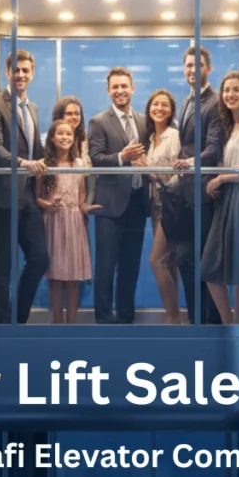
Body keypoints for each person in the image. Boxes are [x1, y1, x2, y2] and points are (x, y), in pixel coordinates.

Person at [0, 49, 49, 324]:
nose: (21, 75)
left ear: (32, 74)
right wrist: (24, 163)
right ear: (7, 72)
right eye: (16, 70)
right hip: (3, 196)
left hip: (29, 197)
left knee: (40, 258)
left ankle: (17, 319)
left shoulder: (31, 108)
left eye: (26, 71)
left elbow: (38, 150)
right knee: (3, 264)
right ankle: (2, 325)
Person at [201, 71, 239, 323]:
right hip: (229, 199)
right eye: (226, 90)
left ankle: (237, 326)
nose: (230, 95)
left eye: (236, 89)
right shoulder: (234, 125)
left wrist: (221, 178)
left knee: (238, 269)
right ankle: (230, 324)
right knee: (212, 269)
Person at [88, 66, 150, 324]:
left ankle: (126, 317)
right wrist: (122, 157)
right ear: (108, 90)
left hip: (137, 202)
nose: (120, 91)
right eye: (115, 87)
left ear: (133, 88)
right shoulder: (99, 121)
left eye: (124, 86)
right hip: (110, 205)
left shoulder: (144, 121)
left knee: (130, 266)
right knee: (105, 266)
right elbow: (96, 158)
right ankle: (103, 319)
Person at [171, 46, 225, 325]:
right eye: (189, 65)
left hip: (204, 192)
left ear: (208, 69)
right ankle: (196, 321)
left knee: (204, 262)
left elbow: (213, 150)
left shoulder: (215, 102)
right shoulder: (187, 101)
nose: (193, 70)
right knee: (186, 260)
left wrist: (190, 162)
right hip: (186, 192)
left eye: (198, 65)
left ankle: (210, 322)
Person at [35, 120, 101, 323]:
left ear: (74, 139)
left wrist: (84, 207)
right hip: (53, 222)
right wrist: (47, 205)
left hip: (74, 222)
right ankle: (56, 321)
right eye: (60, 134)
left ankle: (72, 322)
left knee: (72, 278)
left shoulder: (80, 164)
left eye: (69, 134)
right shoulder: (43, 165)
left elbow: (81, 194)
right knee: (55, 277)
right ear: (52, 138)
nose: (65, 137)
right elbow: (37, 196)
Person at [140, 89, 183, 324]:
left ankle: (173, 316)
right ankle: (174, 316)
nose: (159, 108)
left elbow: (179, 173)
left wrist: (149, 171)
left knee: (156, 261)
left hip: (170, 205)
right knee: (168, 262)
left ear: (171, 111)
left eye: (164, 105)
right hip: (155, 205)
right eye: (155, 104)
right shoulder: (149, 139)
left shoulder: (173, 136)